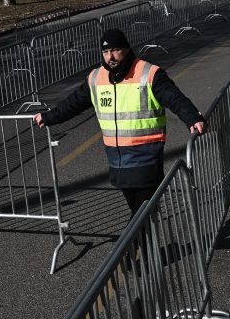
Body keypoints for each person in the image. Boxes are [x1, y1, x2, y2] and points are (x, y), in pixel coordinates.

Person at [33, 29, 206, 216]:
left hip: (145, 159)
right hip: (118, 162)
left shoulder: (148, 73)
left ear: (127, 49)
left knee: (141, 214)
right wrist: (49, 117)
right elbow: (73, 104)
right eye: (106, 52)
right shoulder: (96, 78)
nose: (110, 56)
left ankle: (135, 245)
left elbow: (175, 99)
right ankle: (148, 244)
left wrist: (193, 118)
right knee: (140, 212)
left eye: (115, 50)